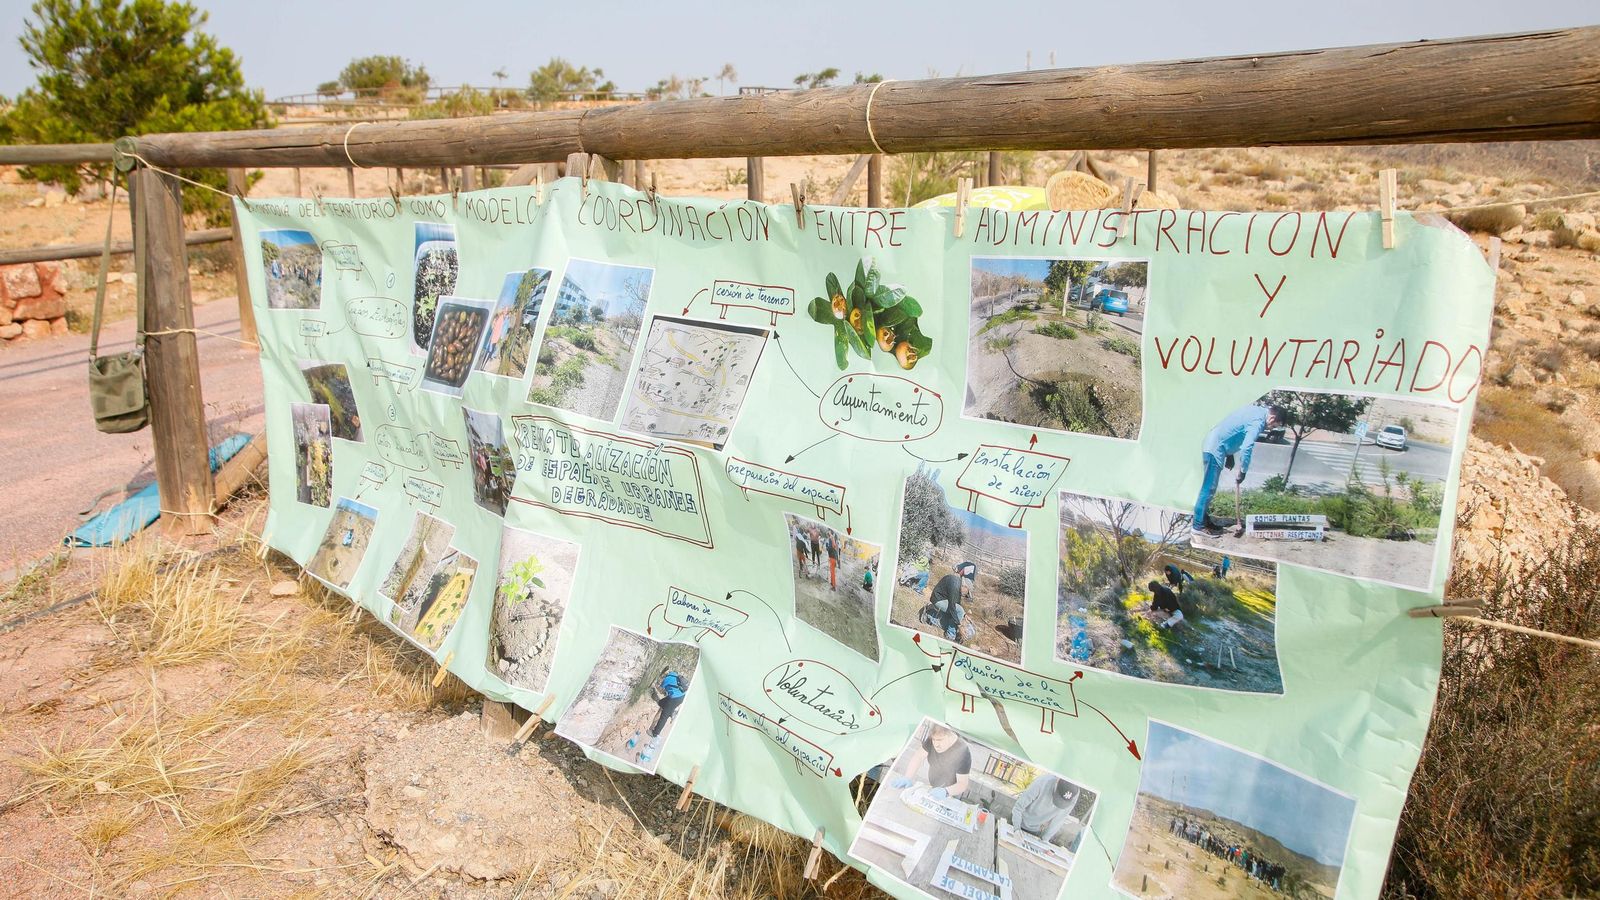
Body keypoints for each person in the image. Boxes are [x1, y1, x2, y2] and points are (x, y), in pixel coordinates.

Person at [1193, 403, 1287, 536]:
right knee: (1209, 488)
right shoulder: (1258, 421)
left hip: (1215, 444)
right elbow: (1246, 447)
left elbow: (1232, 427)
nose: (1270, 428)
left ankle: (1203, 519)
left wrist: (1229, 453)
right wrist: (1243, 471)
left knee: (1208, 487)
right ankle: (1198, 526)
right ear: (1272, 419)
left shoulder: (1254, 410)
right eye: (1274, 426)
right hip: (1215, 448)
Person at [888, 723, 972, 800]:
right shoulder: (934, 737)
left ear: (950, 736)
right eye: (934, 740)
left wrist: (946, 791)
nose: (936, 744)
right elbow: (919, 756)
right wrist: (907, 777)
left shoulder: (963, 751)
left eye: (940, 740)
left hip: (950, 793)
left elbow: (962, 784)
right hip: (932, 787)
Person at [1010, 775, 1082, 844]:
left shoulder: (1074, 795)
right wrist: (1016, 828)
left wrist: (1045, 840)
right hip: (1018, 822)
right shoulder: (1042, 782)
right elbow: (1018, 808)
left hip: (1037, 830)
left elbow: (1059, 819)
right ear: (1057, 781)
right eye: (1058, 796)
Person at [923, 562, 976, 641]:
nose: (965, 596)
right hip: (938, 599)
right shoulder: (955, 586)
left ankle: (929, 616)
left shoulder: (958, 585)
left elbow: (956, 603)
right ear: (965, 586)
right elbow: (953, 607)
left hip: (943, 599)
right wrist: (960, 626)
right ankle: (950, 635)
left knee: (950, 621)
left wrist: (964, 615)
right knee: (958, 611)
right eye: (967, 593)